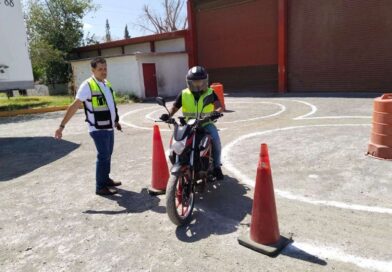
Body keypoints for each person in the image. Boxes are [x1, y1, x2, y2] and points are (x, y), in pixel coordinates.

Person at [54, 57, 122, 195]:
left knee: (107, 155)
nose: (103, 72)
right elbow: (74, 106)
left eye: (105, 68)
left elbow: (110, 105)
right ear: (93, 70)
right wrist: (61, 126)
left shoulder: (106, 83)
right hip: (98, 129)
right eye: (100, 69)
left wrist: (116, 120)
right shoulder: (88, 85)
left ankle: (105, 179)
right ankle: (100, 187)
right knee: (103, 156)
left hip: (108, 127)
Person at [160, 66, 224, 180]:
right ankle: (181, 163)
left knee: (216, 142)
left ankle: (217, 167)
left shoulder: (210, 92)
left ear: (205, 81)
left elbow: (220, 107)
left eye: (200, 82)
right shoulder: (184, 93)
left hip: (206, 123)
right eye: (194, 82)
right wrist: (168, 115)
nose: (197, 85)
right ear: (189, 82)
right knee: (178, 143)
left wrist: (216, 112)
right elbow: (174, 107)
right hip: (188, 125)